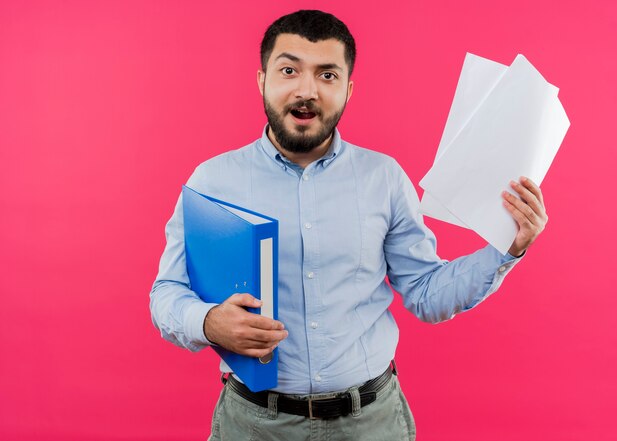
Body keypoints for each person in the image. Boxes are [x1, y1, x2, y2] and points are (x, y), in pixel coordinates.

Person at [149, 9, 548, 441]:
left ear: (348, 88)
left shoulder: (384, 178)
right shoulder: (212, 181)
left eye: (327, 75)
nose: (307, 91)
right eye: (289, 71)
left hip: (371, 423)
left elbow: (428, 294)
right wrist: (207, 322)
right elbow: (166, 293)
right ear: (263, 79)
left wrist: (508, 247)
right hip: (254, 424)